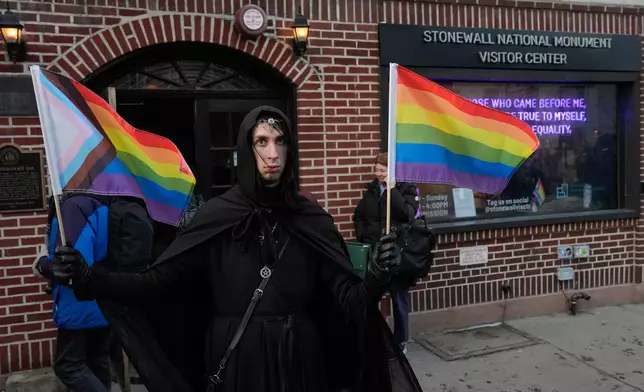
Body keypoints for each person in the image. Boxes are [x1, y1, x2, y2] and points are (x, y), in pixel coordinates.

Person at [48, 106, 422, 392]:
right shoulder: (217, 216)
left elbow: (349, 302)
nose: (272, 154)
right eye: (262, 142)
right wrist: (89, 278)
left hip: (301, 362)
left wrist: (375, 278)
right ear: (247, 148)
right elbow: (155, 284)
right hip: (238, 361)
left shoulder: (311, 219)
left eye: (280, 142)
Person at [34, 194, 112, 392]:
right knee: (97, 361)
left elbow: (71, 266)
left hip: (77, 301)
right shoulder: (101, 203)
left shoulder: (72, 207)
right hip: (102, 298)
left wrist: (42, 263)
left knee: (68, 365)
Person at [352, 152, 420, 354]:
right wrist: (363, 235)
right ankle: (372, 338)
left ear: (392, 171)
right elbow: (358, 216)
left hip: (396, 252)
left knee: (398, 298)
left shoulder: (406, 188)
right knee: (370, 296)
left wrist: (393, 191)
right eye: (376, 170)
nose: (378, 174)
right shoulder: (372, 190)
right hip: (375, 251)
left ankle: (400, 341)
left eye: (382, 170)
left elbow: (409, 213)